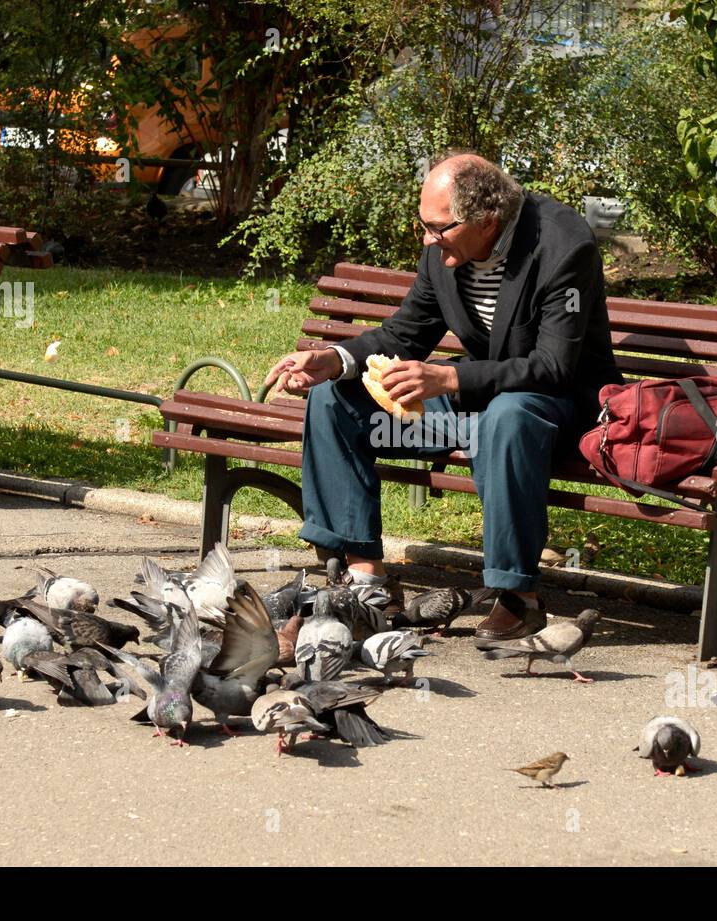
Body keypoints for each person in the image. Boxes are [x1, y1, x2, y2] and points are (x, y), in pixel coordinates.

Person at [265, 152, 621, 640]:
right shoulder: (445, 250)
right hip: (478, 402)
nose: (428, 240)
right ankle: (364, 579)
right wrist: (334, 359)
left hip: (555, 406)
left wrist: (449, 380)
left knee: (507, 416)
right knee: (335, 401)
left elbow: (554, 367)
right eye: (424, 226)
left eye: (438, 228)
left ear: (488, 220)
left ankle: (518, 597)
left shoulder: (563, 244)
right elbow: (405, 335)